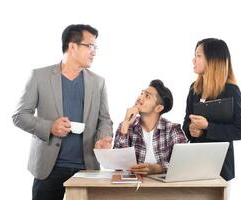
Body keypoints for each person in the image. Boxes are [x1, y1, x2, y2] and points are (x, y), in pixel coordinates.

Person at [12, 24, 113, 200]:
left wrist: (103, 137)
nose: (94, 52)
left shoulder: (98, 82)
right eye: (90, 46)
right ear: (72, 46)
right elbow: (20, 116)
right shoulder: (39, 76)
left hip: (87, 168)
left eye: (95, 47)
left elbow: (104, 119)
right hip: (48, 168)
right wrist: (50, 127)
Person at [182, 38, 241, 182]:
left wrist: (207, 127)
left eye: (198, 56)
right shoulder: (194, 89)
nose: (194, 60)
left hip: (221, 169)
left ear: (213, 60)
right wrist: (192, 130)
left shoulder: (231, 90)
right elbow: (186, 125)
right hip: (195, 165)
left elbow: (240, 131)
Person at [114, 80, 187, 175]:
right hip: (132, 187)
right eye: (141, 93)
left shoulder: (172, 130)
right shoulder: (126, 126)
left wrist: (158, 168)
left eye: (147, 96)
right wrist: (125, 125)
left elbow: (183, 163)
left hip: (163, 188)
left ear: (159, 108)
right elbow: (117, 165)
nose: (140, 97)